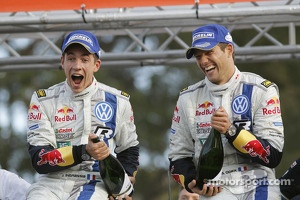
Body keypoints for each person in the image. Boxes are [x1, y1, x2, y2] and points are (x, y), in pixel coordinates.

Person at [168, 24, 284, 199]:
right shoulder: (187, 98)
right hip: (215, 186)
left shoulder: (261, 89)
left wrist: (232, 131)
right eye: (198, 56)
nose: (203, 61)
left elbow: (273, 155)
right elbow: (178, 157)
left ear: (229, 50)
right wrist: (193, 182)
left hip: (259, 179)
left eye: (209, 53)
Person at [26, 30, 139, 200]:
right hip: (50, 184)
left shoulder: (118, 100)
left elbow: (128, 148)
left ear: (96, 65)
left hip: (94, 182)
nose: (77, 66)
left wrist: (125, 183)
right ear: (62, 61)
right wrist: (85, 151)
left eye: (85, 59)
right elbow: (40, 159)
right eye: (71, 58)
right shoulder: (42, 100)